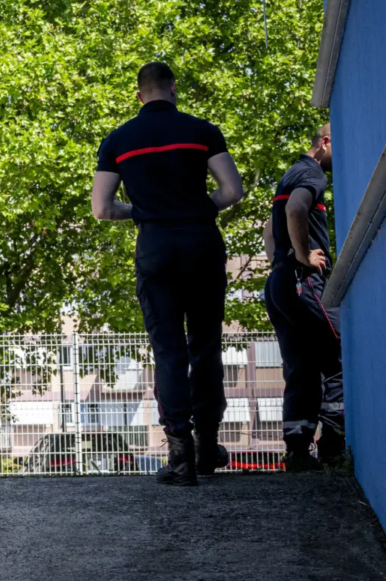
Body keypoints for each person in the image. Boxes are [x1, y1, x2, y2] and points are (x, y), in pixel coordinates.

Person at [92, 62, 243, 486]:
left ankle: (181, 458)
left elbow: (102, 208)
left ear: (139, 95)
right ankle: (209, 447)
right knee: (206, 346)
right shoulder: (203, 131)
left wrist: (144, 211)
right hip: (202, 245)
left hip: (156, 249)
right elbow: (232, 190)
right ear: (174, 89)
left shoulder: (118, 140)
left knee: (169, 352)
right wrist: (196, 208)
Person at [262, 124, 342, 471]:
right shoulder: (312, 173)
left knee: (301, 367)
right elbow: (295, 210)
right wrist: (303, 255)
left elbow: (269, 228)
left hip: (281, 283)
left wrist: (281, 262)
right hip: (303, 281)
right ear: (325, 142)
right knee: (341, 355)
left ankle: (297, 450)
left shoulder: (290, 173)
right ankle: (334, 445)